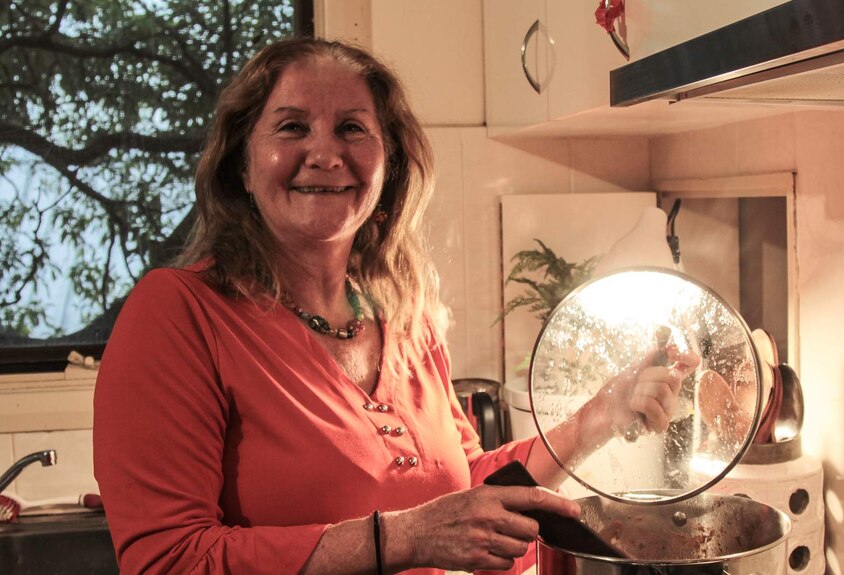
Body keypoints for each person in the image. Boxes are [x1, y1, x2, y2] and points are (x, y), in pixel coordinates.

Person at [93, 37, 695, 575]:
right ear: (242, 167)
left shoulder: (403, 316)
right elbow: (167, 561)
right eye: (291, 127)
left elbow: (466, 494)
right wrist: (399, 539)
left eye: (352, 128)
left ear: (389, 168)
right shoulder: (180, 313)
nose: (325, 154)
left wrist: (594, 420)